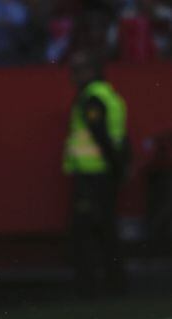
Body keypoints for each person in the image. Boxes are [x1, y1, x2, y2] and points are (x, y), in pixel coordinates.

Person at [63, 50, 129, 299]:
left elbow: (100, 134)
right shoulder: (109, 96)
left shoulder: (92, 99)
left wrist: (115, 167)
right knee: (105, 230)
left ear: (90, 71)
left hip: (92, 176)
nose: (72, 76)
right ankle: (114, 283)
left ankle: (91, 287)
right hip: (102, 174)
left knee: (86, 232)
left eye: (77, 70)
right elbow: (120, 137)